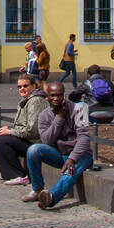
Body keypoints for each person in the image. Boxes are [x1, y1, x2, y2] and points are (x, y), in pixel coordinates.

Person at [24, 82, 94, 210]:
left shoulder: (78, 110)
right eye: (53, 96)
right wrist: (59, 118)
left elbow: (83, 138)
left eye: (59, 95)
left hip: (80, 155)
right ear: (47, 97)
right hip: (59, 154)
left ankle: (51, 197)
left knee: (70, 171)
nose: (56, 99)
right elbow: (47, 141)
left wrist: (72, 159)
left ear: (64, 96)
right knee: (33, 150)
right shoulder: (44, 115)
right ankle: (38, 190)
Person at [0, 73, 48, 185]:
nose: (22, 89)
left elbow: (32, 131)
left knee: (1, 140)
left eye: (25, 86)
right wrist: (10, 129)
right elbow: (22, 125)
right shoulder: (26, 100)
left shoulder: (35, 101)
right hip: (28, 140)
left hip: (36, 143)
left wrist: (10, 132)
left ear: (34, 86)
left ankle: (18, 175)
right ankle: (10, 174)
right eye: (19, 86)